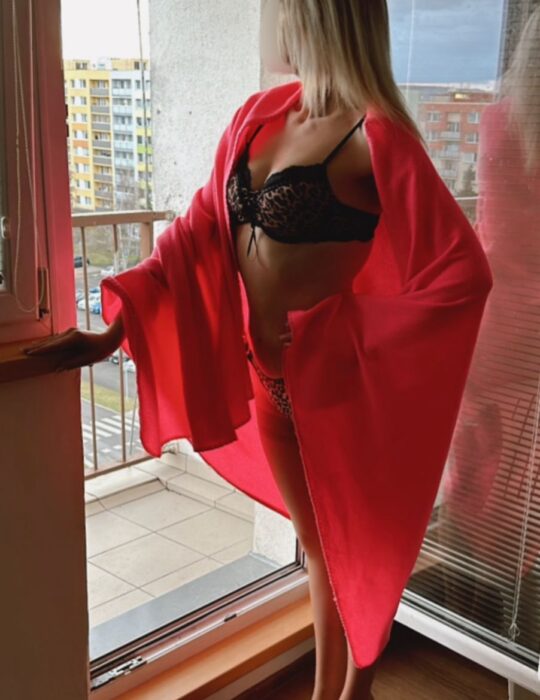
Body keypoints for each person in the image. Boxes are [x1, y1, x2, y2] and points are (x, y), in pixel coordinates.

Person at [22, 2, 493, 699]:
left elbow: (462, 272)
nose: (269, 20)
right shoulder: (259, 115)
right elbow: (198, 228)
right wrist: (116, 328)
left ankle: (350, 688)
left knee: (352, 547)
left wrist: (343, 329)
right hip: (270, 385)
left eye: (281, 7)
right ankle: (341, 691)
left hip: (337, 391)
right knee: (320, 550)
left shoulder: (377, 134)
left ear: (320, 17)